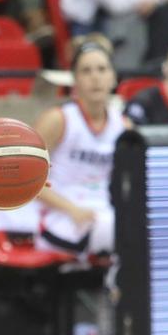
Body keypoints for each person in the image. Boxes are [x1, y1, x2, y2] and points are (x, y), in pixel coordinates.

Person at [34, 35, 127, 258]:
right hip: (57, 214)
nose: (95, 77)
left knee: (133, 228)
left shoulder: (123, 125)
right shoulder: (58, 120)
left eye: (102, 69)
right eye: (86, 71)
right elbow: (26, 180)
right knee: (115, 231)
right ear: (74, 80)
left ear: (113, 77)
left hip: (102, 212)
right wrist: (72, 210)